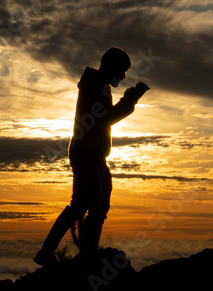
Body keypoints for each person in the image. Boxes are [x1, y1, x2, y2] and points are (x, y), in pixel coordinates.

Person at [34, 46, 149, 266]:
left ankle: (53, 252)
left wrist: (128, 100)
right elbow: (106, 118)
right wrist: (131, 99)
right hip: (90, 154)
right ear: (111, 67)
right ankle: (87, 257)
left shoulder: (94, 84)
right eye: (122, 70)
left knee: (81, 204)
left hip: (84, 152)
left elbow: (104, 117)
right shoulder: (97, 86)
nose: (123, 76)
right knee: (98, 203)